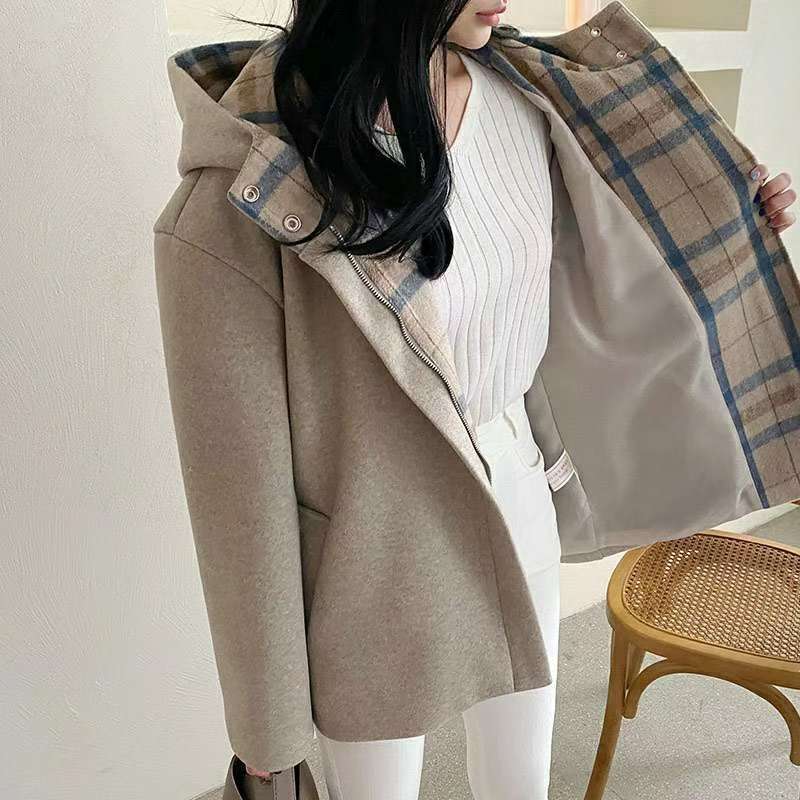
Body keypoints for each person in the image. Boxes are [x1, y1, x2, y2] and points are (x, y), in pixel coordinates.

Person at [153, 2, 796, 798]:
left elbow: (607, 259)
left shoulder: (532, 99)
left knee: (520, 781)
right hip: (370, 546)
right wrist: (267, 734)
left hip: (517, 488)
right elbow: (237, 501)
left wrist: (732, 222)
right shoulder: (249, 184)